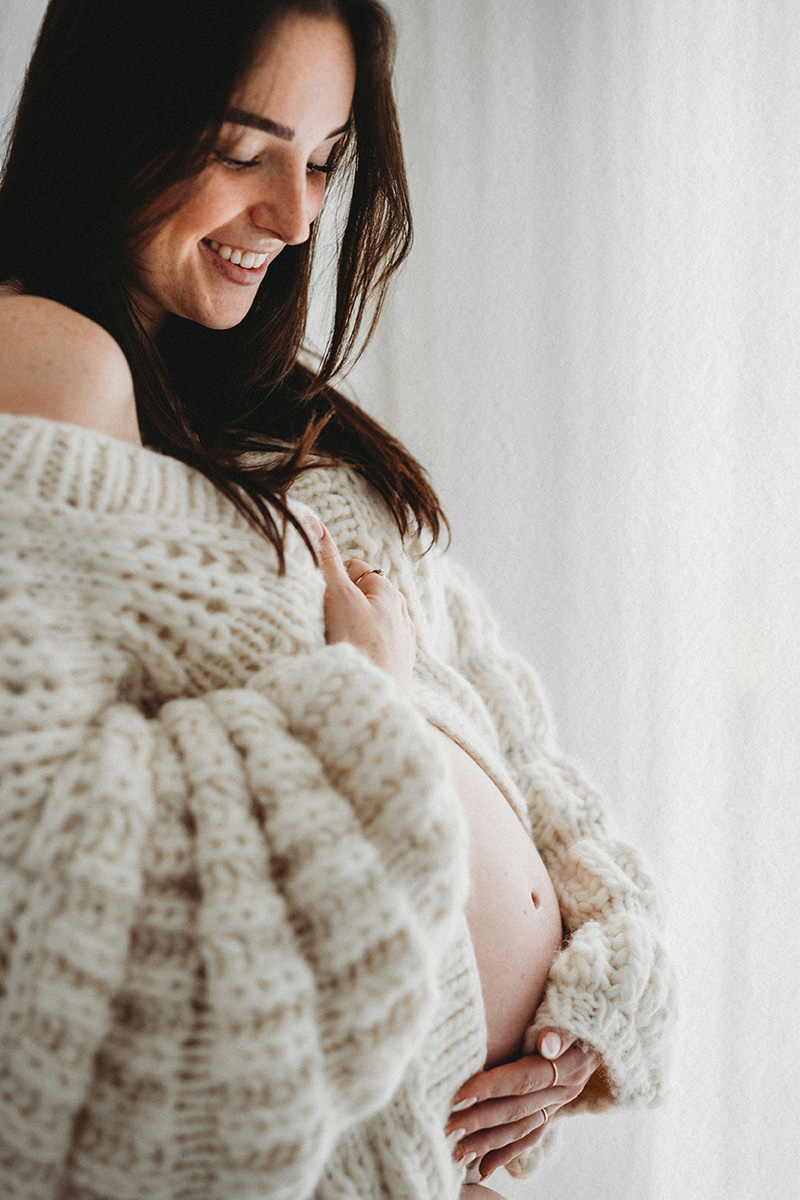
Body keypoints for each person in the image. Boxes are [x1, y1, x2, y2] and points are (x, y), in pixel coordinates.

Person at [0, 1, 675, 1197]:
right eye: (240, 148)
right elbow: (63, 875)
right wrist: (359, 688)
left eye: (320, 160)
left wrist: (603, 986)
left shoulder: (282, 420)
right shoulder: (47, 360)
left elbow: (508, 735)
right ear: (115, 124)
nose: (297, 213)